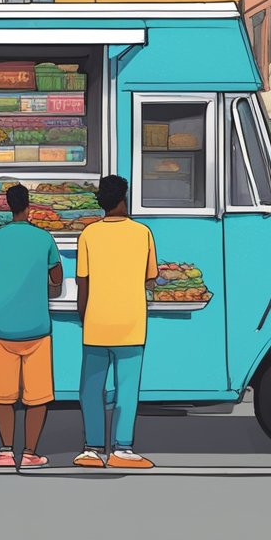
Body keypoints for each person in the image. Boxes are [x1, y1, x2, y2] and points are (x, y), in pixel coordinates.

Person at [74, 175, 157, 470]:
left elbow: (82, 285)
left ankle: (92, 449)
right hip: (132, 324)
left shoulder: (88, 235)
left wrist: (85, 318)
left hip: (97, 324)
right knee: (127, 388)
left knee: (91, 389)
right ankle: (123, 449)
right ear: (124, 198)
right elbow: (151, 276)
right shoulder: (142, 233)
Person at [0, 183, 62, 469]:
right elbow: (56, 279)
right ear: (29, 206)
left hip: (3, 328)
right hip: (38, 328)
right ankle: (30, 453)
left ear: (7, 205)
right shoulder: (44, 238)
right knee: (37, 396)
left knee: (3, 396)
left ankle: (5, 451)